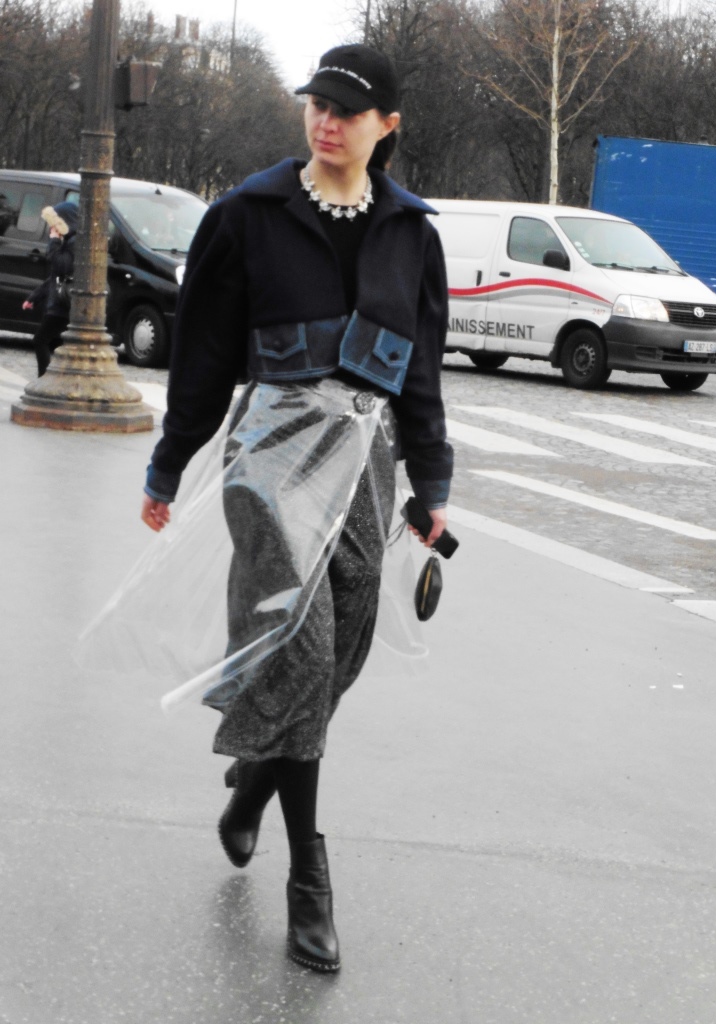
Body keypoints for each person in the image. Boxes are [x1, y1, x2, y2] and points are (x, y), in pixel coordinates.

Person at [140, 44, 453, 973]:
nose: (327, 121)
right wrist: (168, 466)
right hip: (270, 463)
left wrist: (431, 487)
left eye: (347, 111)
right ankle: (309, 879)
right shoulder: (247, 214)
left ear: (387, 126)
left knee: (338, 653)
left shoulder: (412, 234)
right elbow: (201, 357)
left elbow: (422, 377)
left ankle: (252, 788)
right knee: (300, 649)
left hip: (366, 465)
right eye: (317, 104)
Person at [22, 201, 78, 376]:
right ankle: (49, 378)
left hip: (63, 304)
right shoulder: (68, 241)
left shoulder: (73, 242)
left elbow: (62, 267)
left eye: (55, 223)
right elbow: (54, 278)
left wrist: (54, 242)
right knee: (50, 342)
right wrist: (34, 297)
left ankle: (45, 379)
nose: (52, 229)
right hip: (59, 302)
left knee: (41, 340)